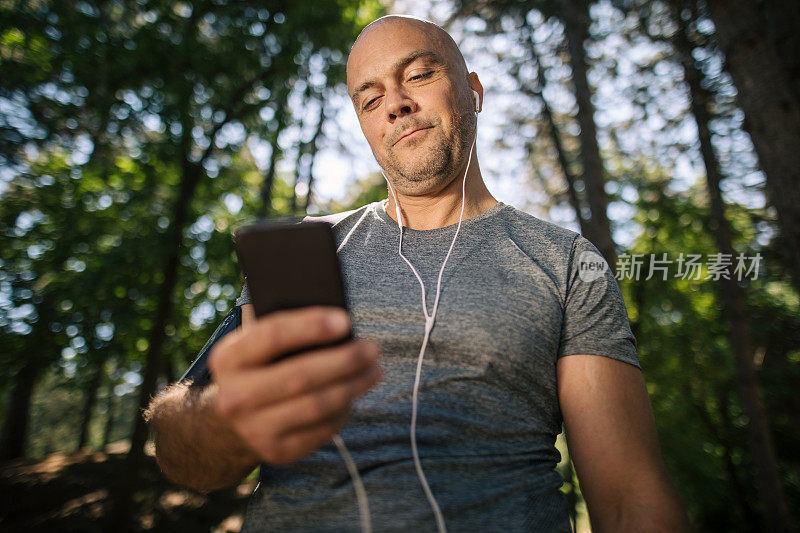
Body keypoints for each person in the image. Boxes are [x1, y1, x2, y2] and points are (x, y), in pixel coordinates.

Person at [145, 14, 691, 532]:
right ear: (364, 126)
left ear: (473, 92)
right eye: (371, 98)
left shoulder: (567, 262)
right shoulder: (305, 250)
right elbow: (185, 459)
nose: (397, 106)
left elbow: (629, 499)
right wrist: (227, 419)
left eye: (420, 75)